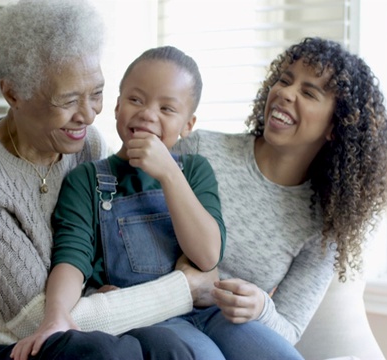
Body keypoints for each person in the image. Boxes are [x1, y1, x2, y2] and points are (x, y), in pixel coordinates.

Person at [0, 1, 196, 359]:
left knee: (171, 348)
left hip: (78, 330)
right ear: (13, 94)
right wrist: (186, 289)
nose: (88, 115)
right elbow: (39, 323)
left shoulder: (86, 146)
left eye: (97, 93)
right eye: (68, 100)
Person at [169, 36, 387, 352]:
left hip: (228, 324)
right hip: (166, 310)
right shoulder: (200, 150)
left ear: (336, 126)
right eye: (284, 80)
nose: (285, 93)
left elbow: (289, 328)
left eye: (308, 92)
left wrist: (261, 307)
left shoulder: (323, 227)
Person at [12, 45, 228, 360]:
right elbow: (71, 260)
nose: (147, 113)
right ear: (117, 107)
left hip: (209, 312)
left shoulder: (194, 171)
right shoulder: (87, 180)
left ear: (188, 125)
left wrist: (169, 174)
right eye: (136, 100)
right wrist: (55, 315)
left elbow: (208, 256)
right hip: (148, 323)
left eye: (167, 109)